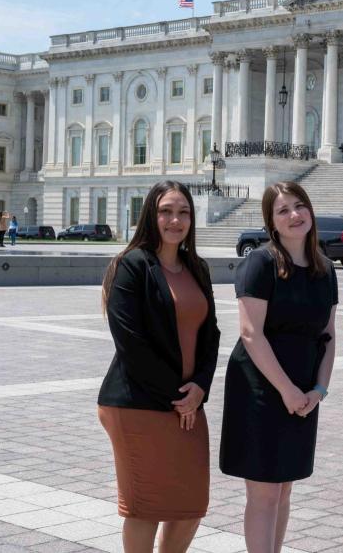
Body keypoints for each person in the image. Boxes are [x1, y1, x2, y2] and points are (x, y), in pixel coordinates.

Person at [97, 180, 220, 553]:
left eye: (183, 212)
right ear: (151, 214)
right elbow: (132, 344)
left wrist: (198, 388)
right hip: (137, 403)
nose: (175, 220)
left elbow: (211, 334)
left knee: (190, 507)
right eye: (166, 210)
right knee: (145, 508)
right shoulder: (131, 266)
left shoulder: (196, 267)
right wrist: (178, 397)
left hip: (186, 402)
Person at [220, 181, 337, 553]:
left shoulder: (324, 268)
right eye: (283, 210)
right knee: (265, 490)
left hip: (303, 389)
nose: (294, 215)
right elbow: (251, 333)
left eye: (299, 206)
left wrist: (319, 390)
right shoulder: (261, 263)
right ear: (271, 222)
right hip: (261, 388)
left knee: (285, 486)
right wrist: (287, 391)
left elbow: (329, 335)